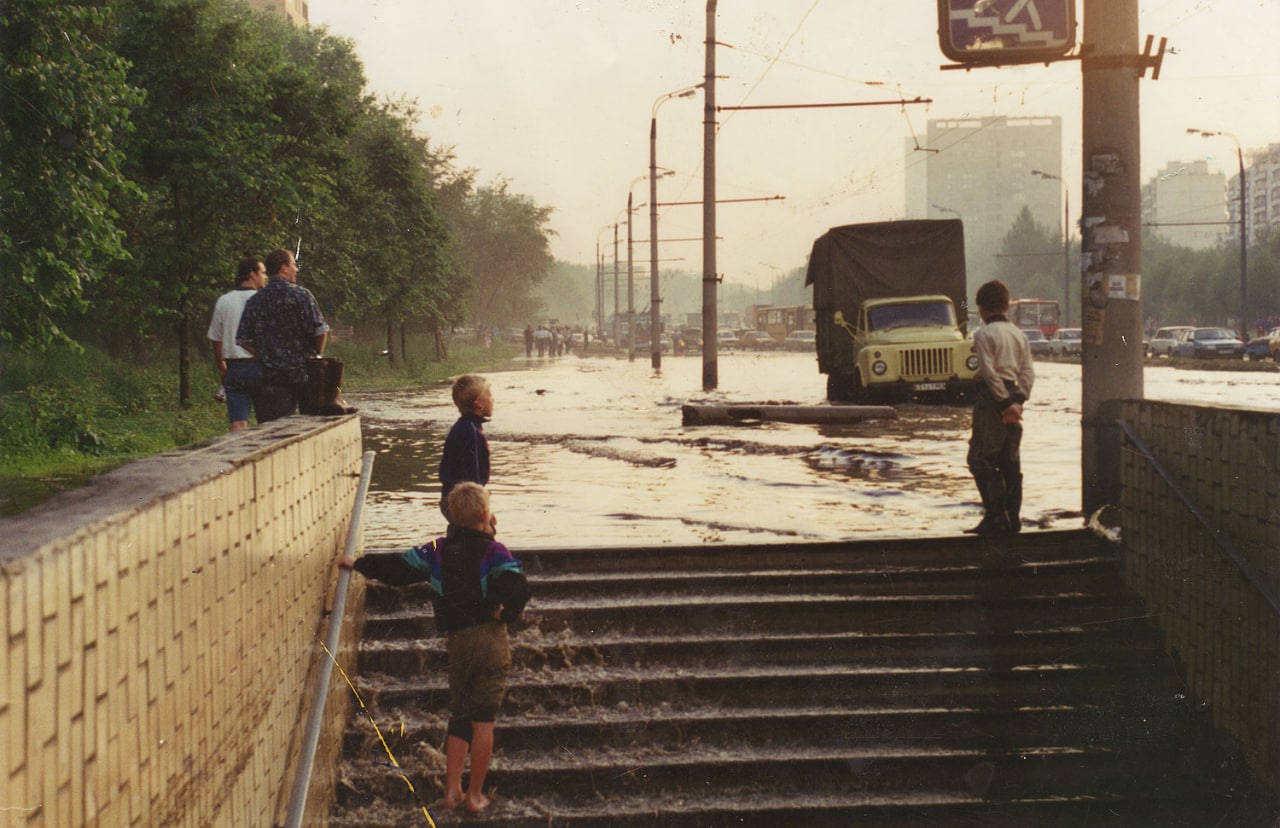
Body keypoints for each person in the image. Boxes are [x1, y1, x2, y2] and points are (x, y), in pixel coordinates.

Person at [339, 482, 529, 813]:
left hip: (458, 644)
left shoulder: (437, 549)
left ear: (452, 517)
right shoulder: (494, 551)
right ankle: (475, 795)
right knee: (483, 720)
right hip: (490, 640)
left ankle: (452, 790)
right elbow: (518, 587)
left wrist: (357, 563)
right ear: (485, 515)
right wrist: (506, 612)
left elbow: (398, 569)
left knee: (460, 714)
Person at [966, 279, 1034, 535]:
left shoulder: (983, 334)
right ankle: (1013, 519)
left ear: (982, 309)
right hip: (1014, 396)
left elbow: (988, 371)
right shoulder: (1019, 335)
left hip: (991, 400)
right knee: (1010, 461)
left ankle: (996, 517)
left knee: (980, 459)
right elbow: (1028, 372)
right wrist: (1018, 401)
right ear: (1006, 306)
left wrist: (1003, 401)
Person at [235, 248, 329, 422]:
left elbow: (243, 339)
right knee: (313, 426)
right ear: (284, 268)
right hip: (304, 374)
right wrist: (316, 354)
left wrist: (264, 353)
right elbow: (320, 331)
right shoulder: (302, 295)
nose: (297, 269)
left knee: (274, 432)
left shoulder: (255, 301)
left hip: (272, 378)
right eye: (294, 265)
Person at [206, 257, 265, 431]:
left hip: (235, 368)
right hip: (260, 367)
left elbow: (216, 338)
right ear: (252, 274)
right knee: (268, 422)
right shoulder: (262, 299)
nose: (265, 277)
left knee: (238, 422)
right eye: (262, 273)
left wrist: (222, 367)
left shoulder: (224, 300)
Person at [439, 374, 493, 522]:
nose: (493, 399)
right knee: (479, 539)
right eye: (489, 394)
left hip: (451, 499)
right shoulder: (472, 433)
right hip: (463, 504)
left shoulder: (461, 427)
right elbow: (473, 480)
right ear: (478, 403)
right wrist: (484, 511)